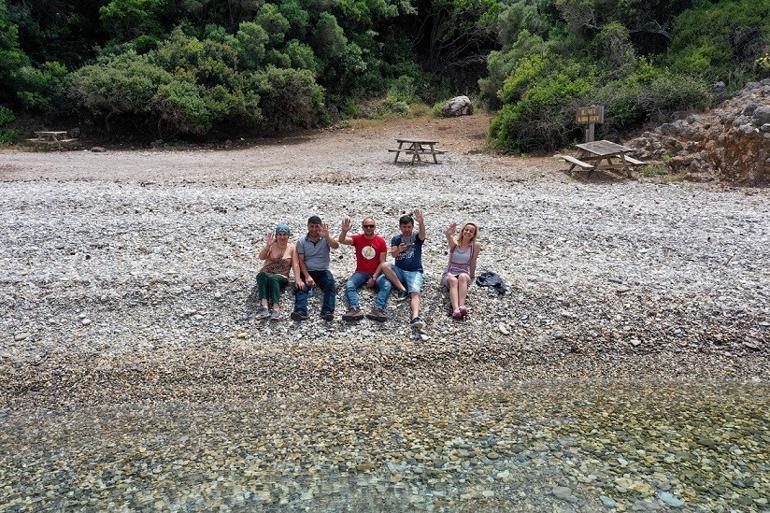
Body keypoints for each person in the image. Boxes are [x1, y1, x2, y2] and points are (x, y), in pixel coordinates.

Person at [368, 209, 426, 331]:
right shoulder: (396, 238)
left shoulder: (416, 237)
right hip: (399, 269)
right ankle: (402, 289)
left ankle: (415, 317)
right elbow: (393, 255)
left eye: (409, 227)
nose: (407, 229)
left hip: (415, 271)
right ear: (400, 227)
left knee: (415, 293)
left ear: (412, 226)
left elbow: (422, 235)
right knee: (384, 265)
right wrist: (399, 250)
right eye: (404, 227)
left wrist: (421, 222)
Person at [337, 216, 403, 321]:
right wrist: (344, 231)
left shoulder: (380, 241)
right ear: (362, 227)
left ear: (374, 227)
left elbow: (382, 262)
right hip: (361, 272)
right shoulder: (358, 238)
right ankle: (354, 308)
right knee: (350, 284)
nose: (368, 228)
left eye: (371, 226)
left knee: (386, 285)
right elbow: (341, 240)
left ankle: (378, 309)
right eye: (366, 226)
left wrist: (374, 278)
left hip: (376, 272)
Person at [291, 216, 339, 322]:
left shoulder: (326, 238)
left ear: (321, 226)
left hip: (323, 270)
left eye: (316, 226)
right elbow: (301, 261)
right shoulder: (301, 241)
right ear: (307, 227)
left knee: (330, 285)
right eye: (311, 226)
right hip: (308, 270)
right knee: (301, 288)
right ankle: (300, 311)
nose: (313, 229)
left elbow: (336, 246)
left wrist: (327, 237)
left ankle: (327, 311)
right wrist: (307, 276)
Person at [255, 224, 301, 320]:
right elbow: (261, 257)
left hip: (281, 276)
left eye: (284, 234)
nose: (282, 237)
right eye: (280, 234)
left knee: (273, 278)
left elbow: (295, 265)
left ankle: (276, 308)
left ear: (288, 236)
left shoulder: (292, 247)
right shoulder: (272, 245)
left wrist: (297, 280)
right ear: (276, 236)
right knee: (261, 275)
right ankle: (264, 306)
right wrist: (267, 246)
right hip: (266, 272)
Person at [442, 222, 480, 319]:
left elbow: (473, 261)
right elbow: (449, 240)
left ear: (474, 234)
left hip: (463, 271)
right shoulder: (456, 242)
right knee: (453, 280)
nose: (468, 232)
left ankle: (462, 306)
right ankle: (456, 309)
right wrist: (448, 234)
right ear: (462, 231)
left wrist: (472, 276)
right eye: (466, 230)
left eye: (471, 231)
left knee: (463, 277)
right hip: (450, 271)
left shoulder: (475, 246)